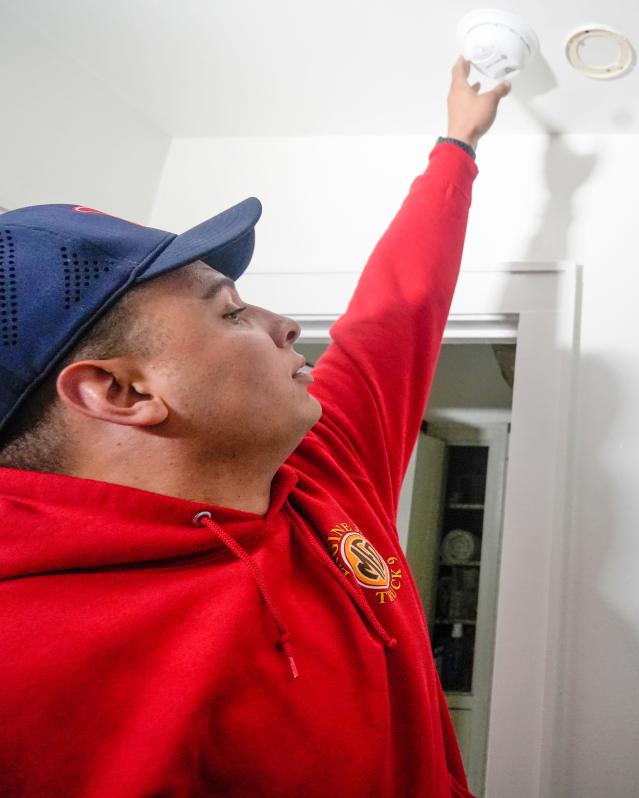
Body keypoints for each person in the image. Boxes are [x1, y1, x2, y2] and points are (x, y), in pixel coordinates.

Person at [0, 59, 508, 797]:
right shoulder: (25, 666)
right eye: (231, 311)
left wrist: (457, 143)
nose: (285, 325)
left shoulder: (323, 472)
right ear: (119, 389)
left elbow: (396, 312)